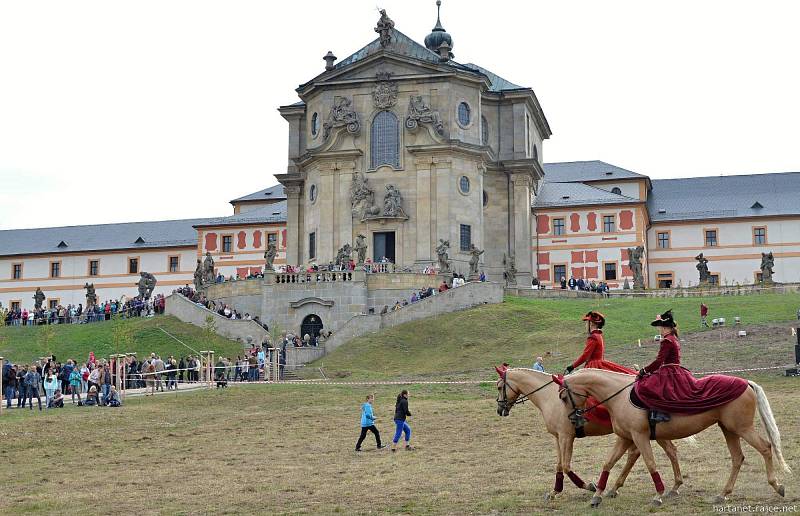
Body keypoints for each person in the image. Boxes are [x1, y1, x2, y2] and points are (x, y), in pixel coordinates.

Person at [635, 310, 748, 414]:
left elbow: (659, 361)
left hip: (670, 371)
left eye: (660, 328)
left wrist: (644, 370)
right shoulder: (673, 338)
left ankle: (660, 414)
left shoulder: (667, 340)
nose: (659, 330)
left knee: (647, 387)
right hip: (675, 370)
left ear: (665, 328)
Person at [566, 311, 635, 374]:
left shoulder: (593, 337)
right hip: (600, 363)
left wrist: (572, 366)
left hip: (593, 366)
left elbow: (585, 356)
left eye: (587, 323)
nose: (586, 325)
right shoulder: (599, 335)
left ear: (592, 324)